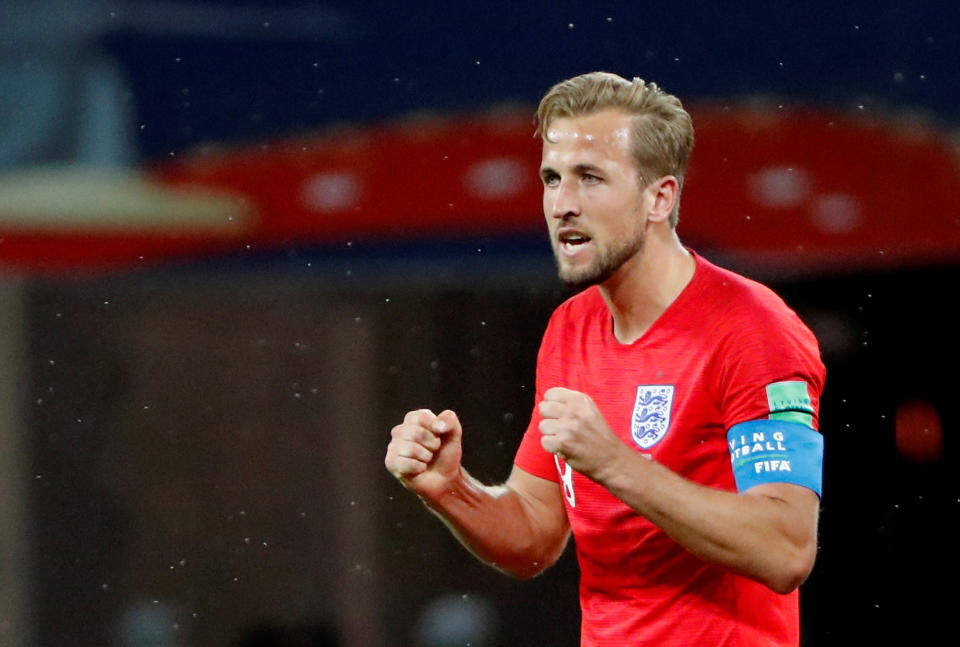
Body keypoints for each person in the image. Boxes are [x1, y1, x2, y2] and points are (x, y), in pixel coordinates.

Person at [385, 71, 825, 646]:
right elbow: (536, 538)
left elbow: (786, 548)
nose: (562, 204)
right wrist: (451, 489)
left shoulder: (753, 329)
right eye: (551, 178)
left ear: (659, 198)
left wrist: (615, 464)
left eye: (590, 178)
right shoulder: (571, 330)